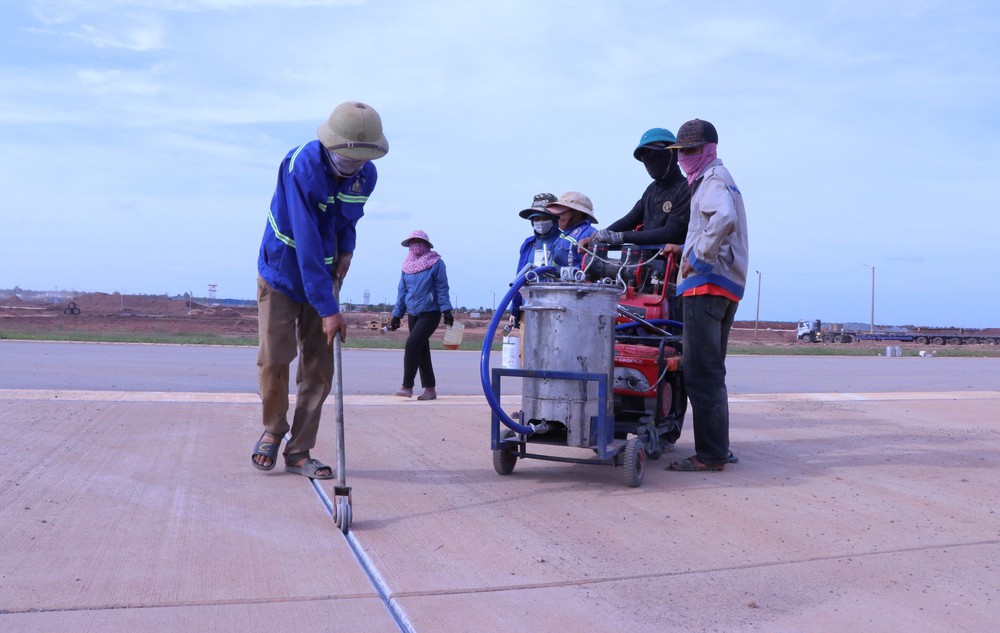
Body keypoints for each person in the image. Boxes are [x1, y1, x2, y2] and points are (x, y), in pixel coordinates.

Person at [252, 101, 388, 479]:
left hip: (324, 274)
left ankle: (299, 450)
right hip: (283, 271)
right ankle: (273, 429)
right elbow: (306, 241)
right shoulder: (302, 166)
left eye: (362, 158)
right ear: (330, 145)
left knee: (319, 365)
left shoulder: (366, 175)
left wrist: (347, 251)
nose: (354, 165)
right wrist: (329, 309)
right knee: (275, 358)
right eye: (348, 157)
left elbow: (348, 217)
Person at [660, 119, 748, 472]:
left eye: (691, 150)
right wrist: (684, 247)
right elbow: (715, 226)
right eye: (681, 150)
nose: (684, 156)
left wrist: (696, 257)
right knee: (712, 371)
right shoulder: (719, 179)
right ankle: (718, 448)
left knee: (699, 372)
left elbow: (722, 218)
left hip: (706, 285)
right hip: (725, 286)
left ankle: (710, 455)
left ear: (708, 149)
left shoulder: (711, 179)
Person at [580, 128, 691, 251]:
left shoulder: (685, 189)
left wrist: (622, 237)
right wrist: (596, 237)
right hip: (646, 263)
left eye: (654, 153)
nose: (649, 160)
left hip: (677, 265)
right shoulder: (652, 190)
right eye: (644, 156)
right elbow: (629, 220)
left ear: (673, 154)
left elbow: (669, 233)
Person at [388, 230, 453, 401]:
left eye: (419, 242)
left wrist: (446, 310)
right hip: (413, 314)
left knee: (412, 344)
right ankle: (430, 389)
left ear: (426, 244)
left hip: (430, 313)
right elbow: (402, 291)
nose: (415, 245)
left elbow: (442, 288)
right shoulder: (406, 266)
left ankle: (407, 386)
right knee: (421, 350)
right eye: (412, 242)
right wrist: (396, 315)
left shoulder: (436, 263)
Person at [510, 192, 559, 329]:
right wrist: (515, 309)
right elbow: (519, 277)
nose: (540, 222)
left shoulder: (563, 242)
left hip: (555, 308)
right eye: (536, 219)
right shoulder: (528, 244)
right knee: (528, 349)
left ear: (554, 219)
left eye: (544, 218)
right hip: (529, 307)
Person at [545, 191, 598, 269]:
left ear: (578, 213)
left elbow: (589, 268)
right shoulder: (562, 236)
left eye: (562, 213)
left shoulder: (589, 234)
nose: (558, 217)